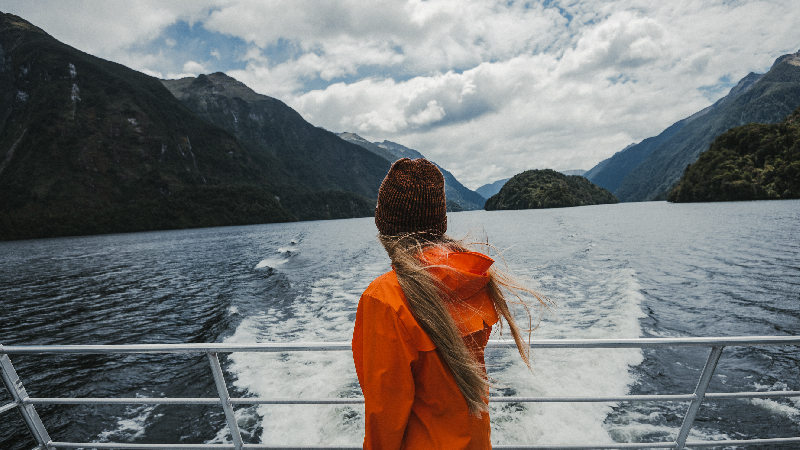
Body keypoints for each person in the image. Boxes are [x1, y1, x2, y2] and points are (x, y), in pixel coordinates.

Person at [352, 158, 544, 449]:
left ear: (385, 225)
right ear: (438, 223)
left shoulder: (386, 298)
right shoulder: (471, 278)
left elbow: (384, 414)